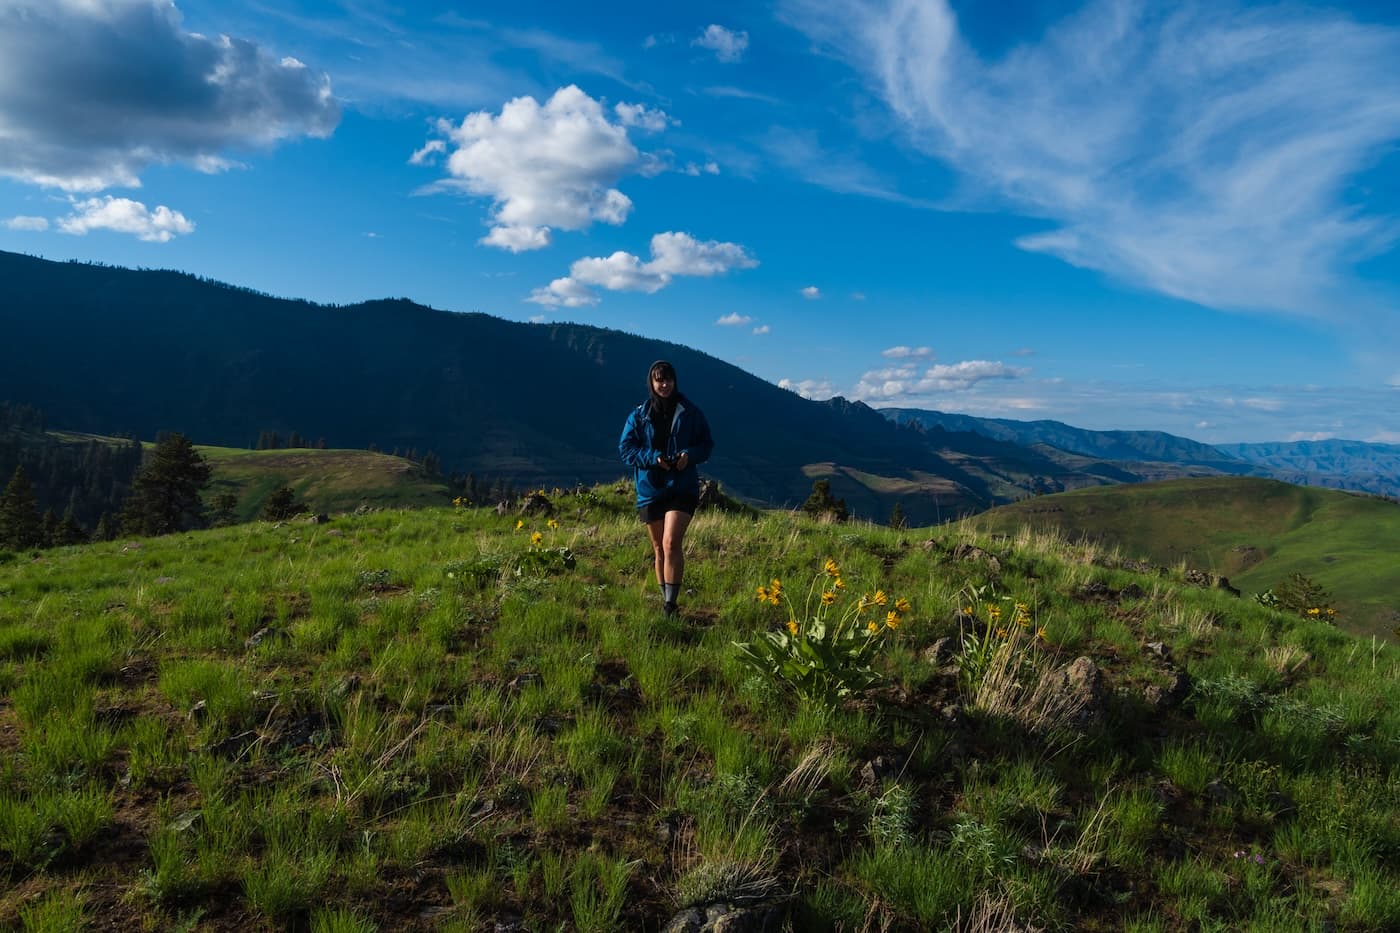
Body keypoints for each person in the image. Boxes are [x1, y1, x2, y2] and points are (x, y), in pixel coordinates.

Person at [619, 360, 714, 616]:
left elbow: (706, 444)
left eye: (668, 379)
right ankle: (666, 601)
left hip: (682, 487)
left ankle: (671, 604)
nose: (664, 384)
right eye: (659, 380)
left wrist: (688, 456)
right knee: (659, 548)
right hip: (650, 488)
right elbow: (626, 449)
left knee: (671, 543)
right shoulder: (638, 415)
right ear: (651, 383)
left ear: (675, 381)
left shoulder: (690, 412)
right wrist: (653, 458)